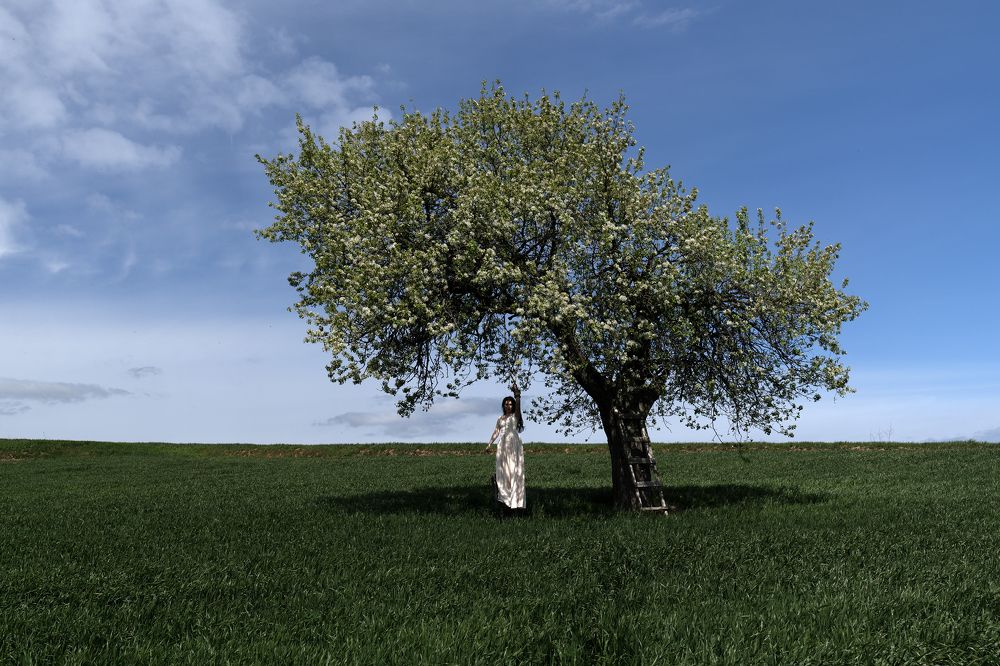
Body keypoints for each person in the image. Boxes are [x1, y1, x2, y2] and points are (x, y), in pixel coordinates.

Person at [486, 384, 525, 512]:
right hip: (502, 445)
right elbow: (496, 431)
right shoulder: (500, 418)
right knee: (503, 471)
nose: (508, 406)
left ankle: (514, 500)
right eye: (506, 404)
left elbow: (518, 408)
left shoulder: (515, 416)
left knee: (513, 470)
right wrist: (489, 444)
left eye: (510, 404)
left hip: (513, 444)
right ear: (503, 405)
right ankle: (504, 498)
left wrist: (517, 396)